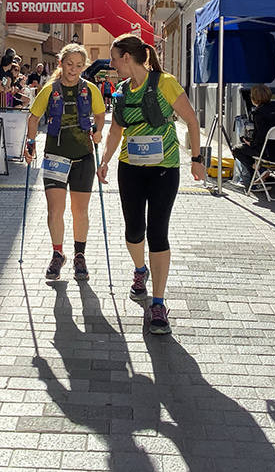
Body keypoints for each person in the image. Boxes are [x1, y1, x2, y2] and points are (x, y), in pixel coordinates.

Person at [96, 34, 205, 336]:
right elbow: (115, 131)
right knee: (133, 231)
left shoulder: (164, 83)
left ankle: (158, 302)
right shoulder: (120, 91)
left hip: (164, 170)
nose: (112, 64)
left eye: (114, 58)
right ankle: (139, 270)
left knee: (158, 232)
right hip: (130, 169)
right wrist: (105, 160)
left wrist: (196, 158)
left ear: (127, 58)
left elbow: (192, 121)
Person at [23, 43, 106, 281]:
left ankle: (80, 256)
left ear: (84, 66)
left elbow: (100, 115)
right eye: (69, 64)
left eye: (79, 65)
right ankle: (58, 254)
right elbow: (33, 118)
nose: (74, 69)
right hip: (55, 156)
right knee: (54, 211)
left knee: (80, 212)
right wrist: (30, 144)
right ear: (61, 63)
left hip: (83, 156)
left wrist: (98, 131)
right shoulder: (50, 90)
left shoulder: (90, 89)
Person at [230, 84, 275, 180]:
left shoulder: (258, 113)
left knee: (237, 149)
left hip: (269, 153)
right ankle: (261, 173)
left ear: (253, 98)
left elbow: (260, 137)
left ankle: (259, 172)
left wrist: (250, 143)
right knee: (251, 148)